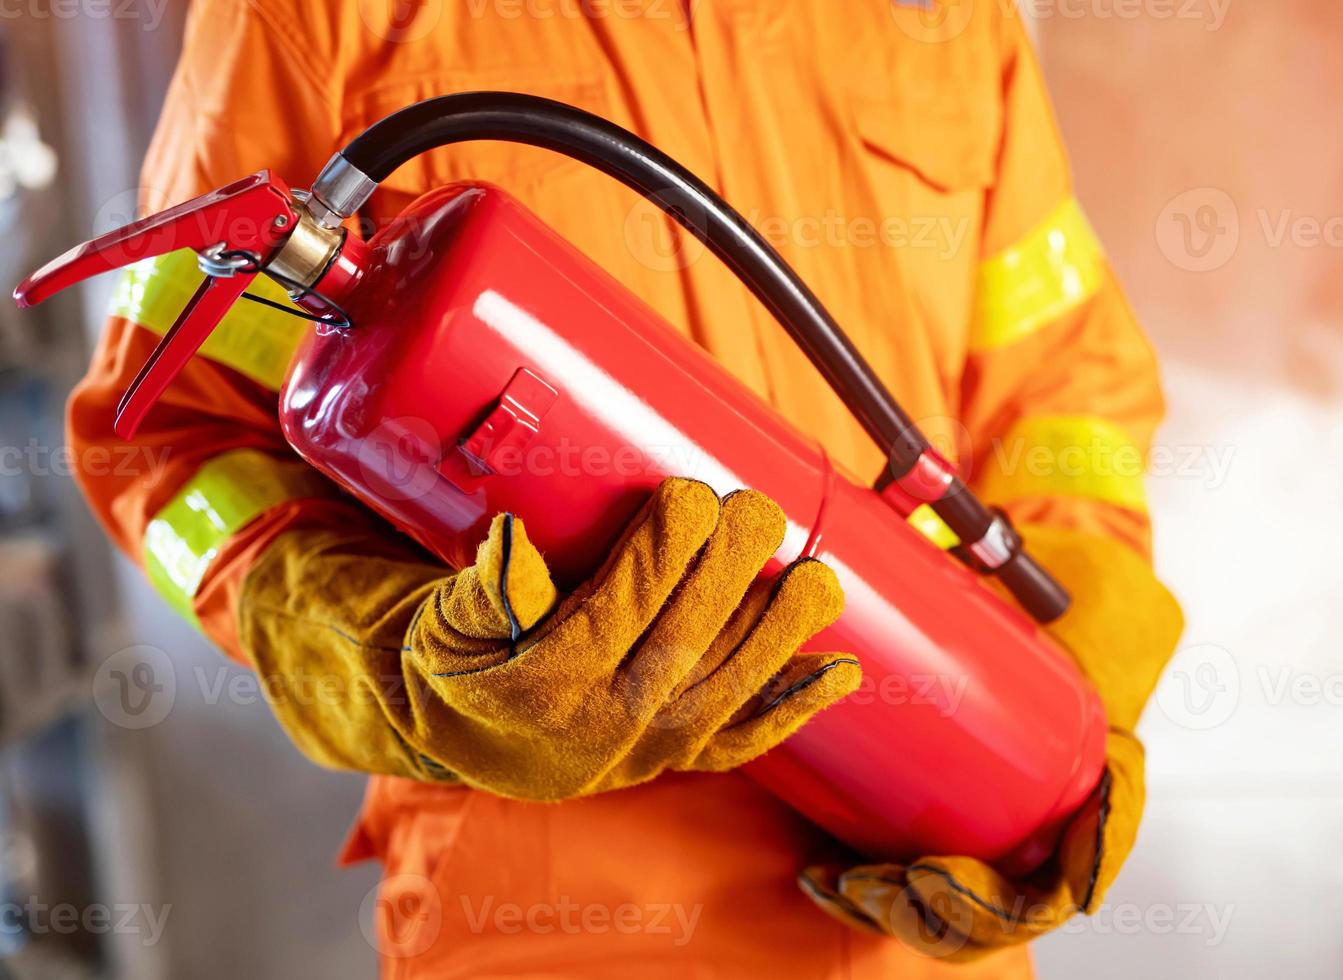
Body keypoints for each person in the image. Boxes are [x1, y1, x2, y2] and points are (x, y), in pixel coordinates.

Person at [67, 0, 1183, 976]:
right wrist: (405, 663)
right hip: (555, 925)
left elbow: (1067, 392)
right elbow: (167, 444)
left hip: (925, 882)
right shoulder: (311, 14)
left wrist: (1067, 695)